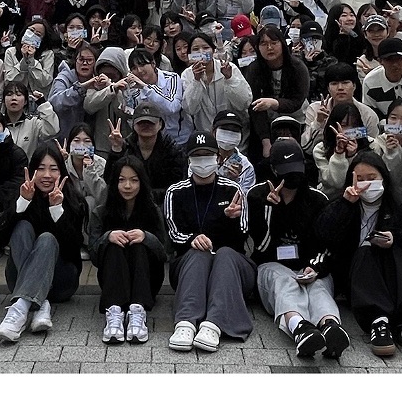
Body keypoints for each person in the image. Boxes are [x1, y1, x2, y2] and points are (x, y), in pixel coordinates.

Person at [316, 150, 402, 360]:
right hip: (358, 274)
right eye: (360, 179)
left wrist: (396, 237)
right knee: (365, 251)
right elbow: (324, 236)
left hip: (396, 274)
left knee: (396, 249)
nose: (366, 184)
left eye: (372, 178)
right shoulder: (342, 201)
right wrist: (345, 205)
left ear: (383, 177)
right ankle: (378, 321)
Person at [248, 138, 350, 360]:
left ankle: (330, 326)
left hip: (309, 265)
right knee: (284, 281)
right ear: (274, 169)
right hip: (271, 264)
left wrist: (315, 268)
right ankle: (300, 328)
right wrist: (270, 210)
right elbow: (262, 247)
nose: (292, 175)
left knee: (319, 286)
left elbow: (326, 244)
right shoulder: (257, 195)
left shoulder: (317, 199)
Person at [164, 131, 254, 354]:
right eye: (197, 156)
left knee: (224, 253)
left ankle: (214, 325)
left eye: (208, 155)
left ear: (218, 158)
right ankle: (185, 323)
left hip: (232, 268)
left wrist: (231, 219)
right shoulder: (175, 192)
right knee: (198, 252)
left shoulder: (234, 190)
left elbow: (243, 235)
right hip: (190, 268)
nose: (202, 161)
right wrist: (192, 239)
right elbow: (174, 234)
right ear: (189, 160)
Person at [0, 142, 86, 341]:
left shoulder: (73, 200)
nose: (46, 175)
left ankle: (19, 309)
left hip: (61, 281)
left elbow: (73, 248)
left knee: (47, 239)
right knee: (22, 227)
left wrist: (57, 210)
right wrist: (23, 203)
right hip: (18, 277)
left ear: (62, 172)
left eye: (53, 169)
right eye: (41, 169)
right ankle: (39, 304)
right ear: (32, 171)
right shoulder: (20, 194)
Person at [88, 155, 169, 344]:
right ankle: (114, 312)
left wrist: (146, 237)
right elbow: (93, 255)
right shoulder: (101, 212)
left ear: (142, 182)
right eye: (121, 180)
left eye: (134, 180)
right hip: (113, 279)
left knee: (138, 244)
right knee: (114, 244)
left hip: (147, 280)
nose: (127, 186)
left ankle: (138, 312)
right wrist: (107, 237)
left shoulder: (152, 210)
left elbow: (164, 252)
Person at [245, 24, 310, 161]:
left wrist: (273, 103)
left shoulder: (298, 67)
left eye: (274, 43)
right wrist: (265, 140)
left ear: (282, 44)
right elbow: (254, 107)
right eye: (264, 44)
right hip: (266, 122)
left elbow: (297, 101)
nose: (269, 47)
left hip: (296, 118)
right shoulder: (254, 69)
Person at [106, 101, 188, 200]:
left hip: (162, 203)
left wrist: (143, 195)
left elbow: (177, 187)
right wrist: (116, 149)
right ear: (133, 125)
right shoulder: (125, 147)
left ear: (160, 124)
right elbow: (110, 180)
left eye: (150, 123)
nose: (146, 126)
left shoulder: (173, 150)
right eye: (141, 123)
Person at [313, 100, 373, 196]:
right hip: (332, 197)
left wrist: (353, 156)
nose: (349, 130)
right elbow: (337, 183)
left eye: (354, 125)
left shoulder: (372, 144)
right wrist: (339, 154)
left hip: (364, 195)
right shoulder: (320, 150)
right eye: (344, 125)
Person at [50, 40, 100, 140]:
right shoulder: (63, 78)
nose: (85, 63)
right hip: (64, 137)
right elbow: (55, 103)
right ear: (75, 61)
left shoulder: (100, 81)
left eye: (89, 60)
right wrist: (80, 89)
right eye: (81, 59)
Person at [0, 80, 59, 158]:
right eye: (9, 95)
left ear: (26, 101)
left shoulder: (33, 123)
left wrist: (43, 104)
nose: (14, 98)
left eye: (18, 95)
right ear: (3, 100)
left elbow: (53, 129)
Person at [3, 17, 57, 97]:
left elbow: (45, 81)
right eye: (31, 30)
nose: (32, 35)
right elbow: (8, 80)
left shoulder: (48, 54)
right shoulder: (11, 52)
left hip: (38, 97)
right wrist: (24, 60)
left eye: (38, 34)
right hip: (16, 97)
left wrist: (32, 60)